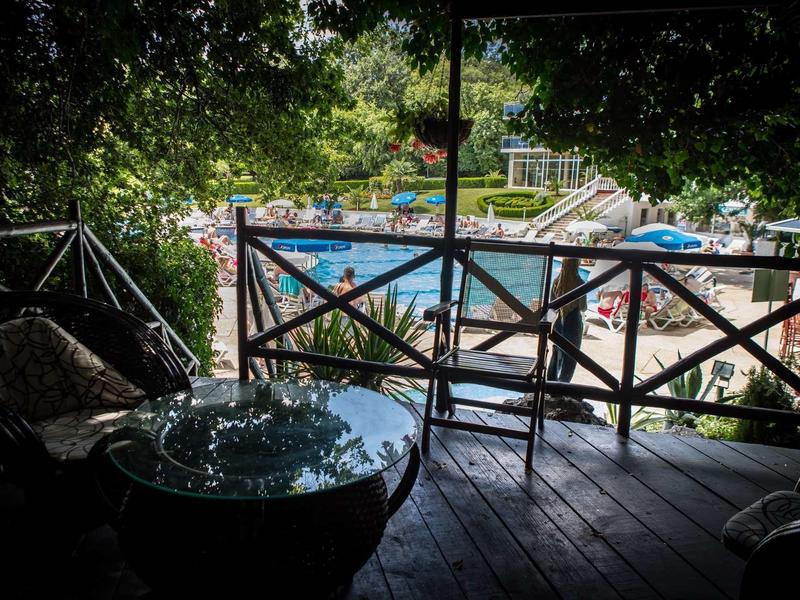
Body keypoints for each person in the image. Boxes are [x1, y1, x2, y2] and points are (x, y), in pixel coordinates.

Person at [547, 258, 587, 383]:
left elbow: (552, 305)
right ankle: (564, 384)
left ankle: (551, 382)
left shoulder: (556, 282)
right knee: (571, 356)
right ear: (577, 265)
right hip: (573, 321)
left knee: (557, 351)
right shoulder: (580, 283)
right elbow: (583, 307)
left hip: (559, 322)